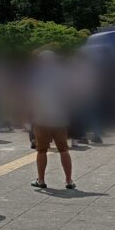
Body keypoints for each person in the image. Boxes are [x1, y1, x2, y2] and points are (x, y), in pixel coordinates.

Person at [27, 51, 76, 189]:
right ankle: (68, 181)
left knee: (41, 150)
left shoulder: (36, 76)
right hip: (59, 119)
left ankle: (41, 180)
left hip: (41, 119)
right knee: (63, 150)